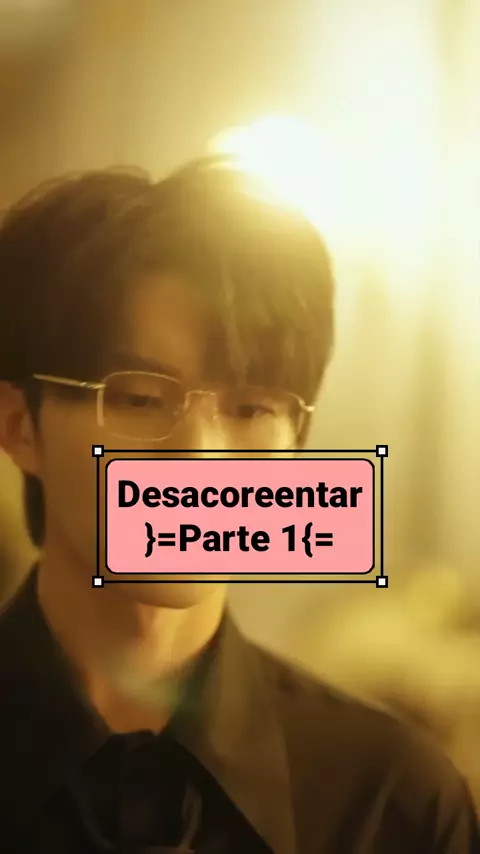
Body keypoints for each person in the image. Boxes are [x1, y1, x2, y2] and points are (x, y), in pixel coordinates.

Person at [0, 156, 477, 854]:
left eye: (251, 408)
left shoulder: (391, 803)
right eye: (140, 399)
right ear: (20, 426)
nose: (200, 459)